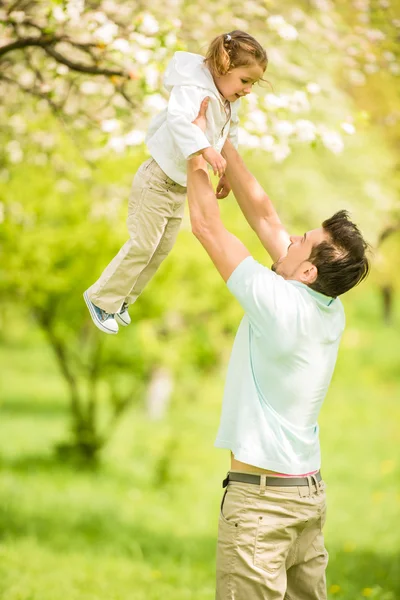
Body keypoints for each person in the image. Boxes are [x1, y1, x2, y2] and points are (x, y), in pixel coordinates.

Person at [186, 98, 370, 600]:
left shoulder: (278, 305)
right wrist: (221, 142)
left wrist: (192, 147)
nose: (286, 239)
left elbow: (206, 226)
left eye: (300, 240)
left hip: (262, 508)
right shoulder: (327, 306)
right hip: (306, 497)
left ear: (308, 270)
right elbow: (264, 215)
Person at [83, 30, 267, 334]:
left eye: (253, 84)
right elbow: (178, 120)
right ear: (223, 68)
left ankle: (122, 299)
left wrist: (230, 176)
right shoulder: (193, 89)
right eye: (245, 80)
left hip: (178, 188)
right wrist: (205, 149)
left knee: (160, 248)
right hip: (157, 180)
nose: (247, 90)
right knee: (143, 244)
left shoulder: (229, 101)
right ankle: (101, 298)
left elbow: (229, 135)